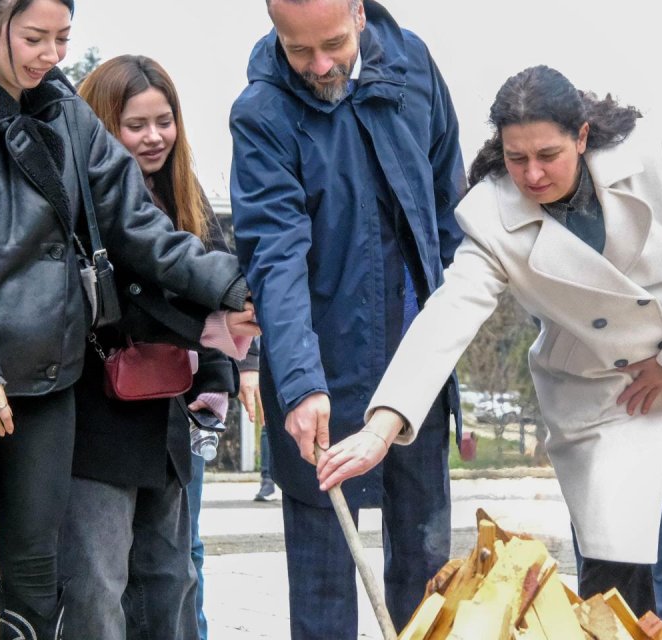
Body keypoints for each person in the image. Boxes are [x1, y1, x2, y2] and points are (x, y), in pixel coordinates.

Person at [319, 65, 662, 640]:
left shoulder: (649, 155)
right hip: (601, 384)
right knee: (613, 557)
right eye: (516, 158)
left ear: (582, 136)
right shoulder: (490, 214)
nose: (533, 174)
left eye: (548, 155)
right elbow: (450, 311)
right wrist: (382, 425)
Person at [0, 0, 256, 637]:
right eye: (34, 38)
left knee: (36, 571)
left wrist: (231, 286)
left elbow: (140, 226)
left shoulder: (69, 116)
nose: (51, 55)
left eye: (62, 38)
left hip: (45, 377)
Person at [230, 0, 464, 636]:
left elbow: (449, 206)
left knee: (426, 577)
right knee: (325, 585)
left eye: (332, 45)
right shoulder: (262, 112)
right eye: (298, 50)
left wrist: (448, 329)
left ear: (359, 13)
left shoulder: (414, 66)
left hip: (415, 369)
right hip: (322, 372)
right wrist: (301, 383)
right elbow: (275, 256)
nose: (319, 66)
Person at [56, 54, 258, 640]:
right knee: (97, 587)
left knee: (172, 579)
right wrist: (215, 325)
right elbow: (142, 297)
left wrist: (218, 379)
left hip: (168, 416)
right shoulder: (77, 199)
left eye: (164, 121)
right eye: (135, 125)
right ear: (102, 126)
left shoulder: (185, 193)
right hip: (94, 418)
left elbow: (212, 279)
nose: (154, 137)